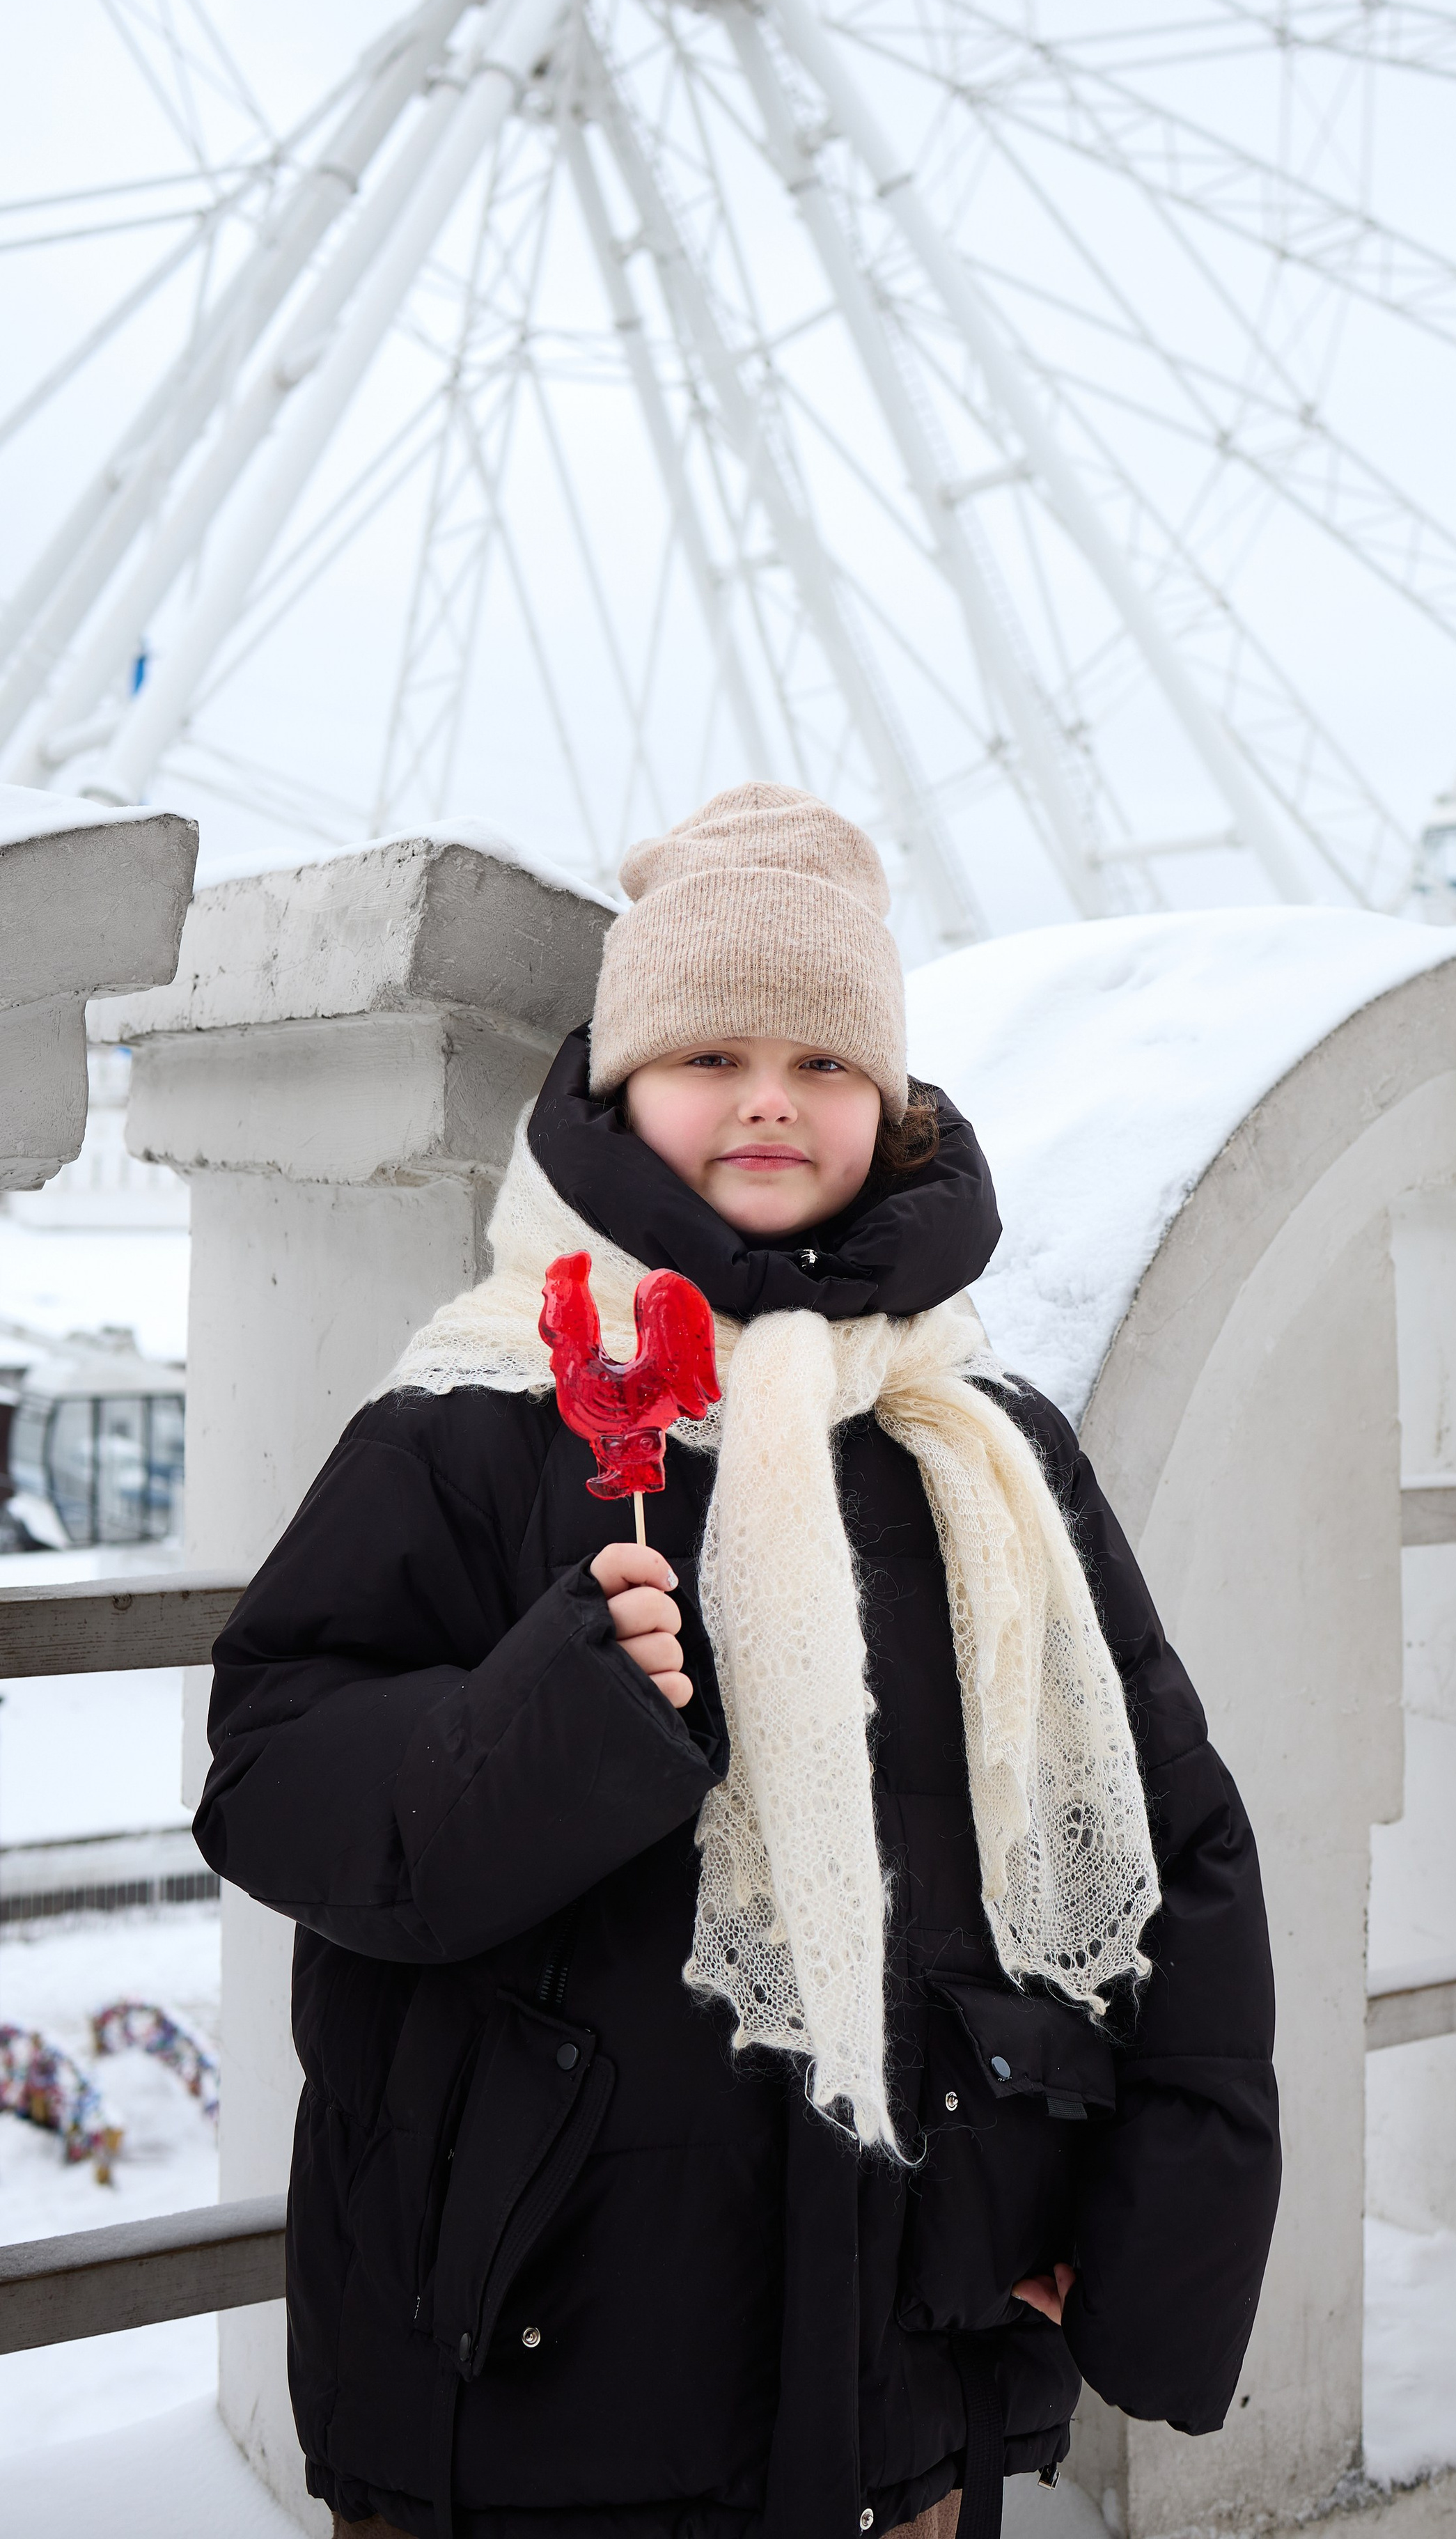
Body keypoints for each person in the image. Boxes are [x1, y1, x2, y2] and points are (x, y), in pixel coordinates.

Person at [194, 783, 1281, 2539]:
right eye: (711, 1051)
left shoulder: (980, 1444)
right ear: (620, 1087)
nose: (769, 1097)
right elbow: (273, 1783)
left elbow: (1171, 1836)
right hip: (532, 2376)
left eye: (824, 1061)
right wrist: (555, 1719)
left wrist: (1161, 2229)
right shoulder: (471, 1422)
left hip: (912, 2363)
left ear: (889, 1108)